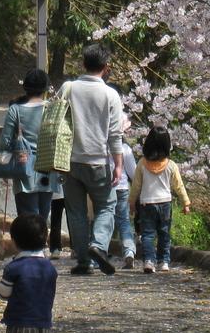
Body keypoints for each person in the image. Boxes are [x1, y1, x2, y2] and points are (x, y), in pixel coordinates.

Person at [62, 43, 124, 276]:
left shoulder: (69, 88)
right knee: (107, 205)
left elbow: (55, 118)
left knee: (76, 211)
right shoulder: (111, 95)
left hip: (69, 160)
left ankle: (83, 262)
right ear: (106, 68)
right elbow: (115, 134)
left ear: (83, 64)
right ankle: (98, 245)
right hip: (98, 161)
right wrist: (118, 164)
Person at [129, 125, 191, 273]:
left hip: (146, 204)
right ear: (167, 145)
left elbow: (136, 186)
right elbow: (179, 186)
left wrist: (131, 202)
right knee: (164, 233)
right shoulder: (171, 165)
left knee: (148, 234)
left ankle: (149, 261)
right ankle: (163, 262)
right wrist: (186, 203)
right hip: (165, 204)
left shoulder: (142, 164)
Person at [0, 69, 55, 222]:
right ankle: (41, 243)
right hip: (48, 168)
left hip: (24, 167)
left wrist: (5, 167)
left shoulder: (15, 110)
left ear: (26, 87)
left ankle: (31, 245)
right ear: (45, 88)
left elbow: (5, 142)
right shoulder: (53, 108)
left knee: (28, 215)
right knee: (43, 214)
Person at [0, 213, 58, 333]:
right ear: (45, 239)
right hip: (44, 325)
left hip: (19, 324)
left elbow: (3, 294)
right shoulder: (50, 268)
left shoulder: (14, 267)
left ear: (14, 240)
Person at [111, 113, 138, 268]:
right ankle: (128, 251)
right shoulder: (125, 148)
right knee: (124, 222)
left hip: (103, 188)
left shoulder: (101, 146)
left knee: (102, 219)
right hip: (121, 187)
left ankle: (99, 252)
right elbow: (133, 173)